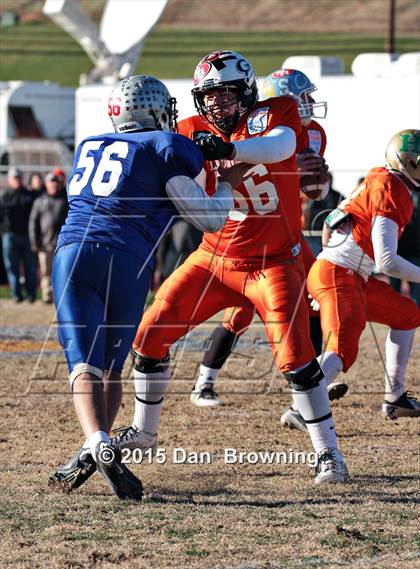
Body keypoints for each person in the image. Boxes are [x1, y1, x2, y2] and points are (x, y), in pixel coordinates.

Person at [111, 52, 349, 485]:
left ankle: (329, 453)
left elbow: (279, 144)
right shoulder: (188, 130)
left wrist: (230, 149)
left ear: (247, 92)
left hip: (272, 261)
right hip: (214, 257)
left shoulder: (274, 114)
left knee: (296, 359)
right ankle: (144, 433)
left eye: (226, 93)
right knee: (148, 337)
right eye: (209, 96)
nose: (218, 104)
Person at [48, 75, 237, 500]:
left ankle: (95, 444)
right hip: (128, 261)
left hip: (74, 253)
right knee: (114, 368)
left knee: (83, 364)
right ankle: (97, 446)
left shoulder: (88, 146)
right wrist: (228, 181)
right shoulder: (164, 147)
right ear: (155, 110)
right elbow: (207, 218)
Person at [187, 68, 338, 411]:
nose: (311, 103)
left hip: (289, 233)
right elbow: (255, 168)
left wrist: (319, 178)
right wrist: (290, 164)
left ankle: (313, 384)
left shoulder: (314, 133)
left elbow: (313, 191)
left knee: (313, 301)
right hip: (250, 234)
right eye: (304, 97)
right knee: (241, 313)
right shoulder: (256, 129)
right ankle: (204, 383)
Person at [302, 129, 420, 425]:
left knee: (407, 314)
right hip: (340, 273)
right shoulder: (392, 189)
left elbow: (330, 221)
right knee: (343, 347)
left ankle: (395, 398)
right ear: (409, 162)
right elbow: (388, 261)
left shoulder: (380, 177)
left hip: (346, 273)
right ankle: (301, 407)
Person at [28, 171, 68, 303]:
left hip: (61, 244)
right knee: (46, 272)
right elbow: (33, 222)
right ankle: (47, 296)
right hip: (44, 244)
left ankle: (61, 296)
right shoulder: (39, 201)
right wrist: (35, 242)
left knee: (62, 272)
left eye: (56, 182)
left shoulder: (64, 200)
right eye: (51, 182)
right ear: (46, 184)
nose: (53, 185)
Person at [0, 167, 38, 302]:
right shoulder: (4, 196)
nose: (17, 180)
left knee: (30, 267)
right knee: (12, 266)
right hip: (9, 236)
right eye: (14, 178)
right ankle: (16, 295)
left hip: (27, 236)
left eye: (19, 177)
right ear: (10, 179)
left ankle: (31, 295)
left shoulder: (29, 195)